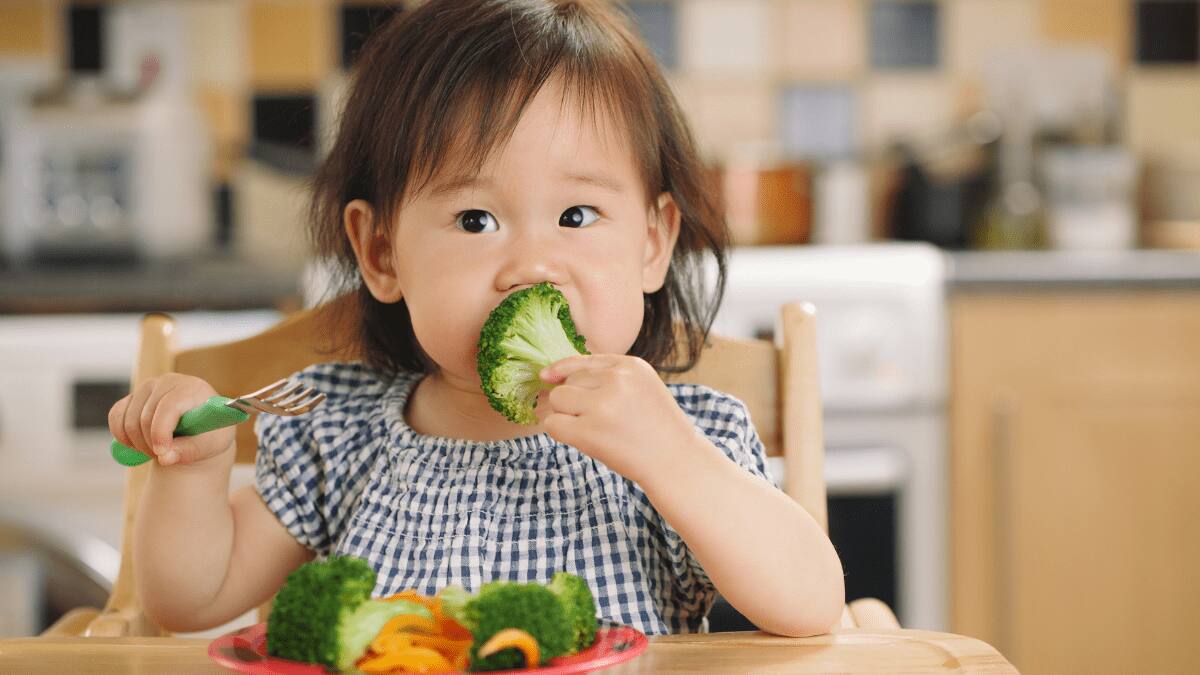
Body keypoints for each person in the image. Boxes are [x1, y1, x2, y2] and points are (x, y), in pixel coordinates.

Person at [108, 0, 844, 638]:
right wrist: (194, 474)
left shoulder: (689, 437)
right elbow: (188, 601)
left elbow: (811, 605)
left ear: (653, 244)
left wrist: (672, 458)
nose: (532, 265)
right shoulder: (337, 431)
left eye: (577, 215)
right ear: (382, 252)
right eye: (475, 219)